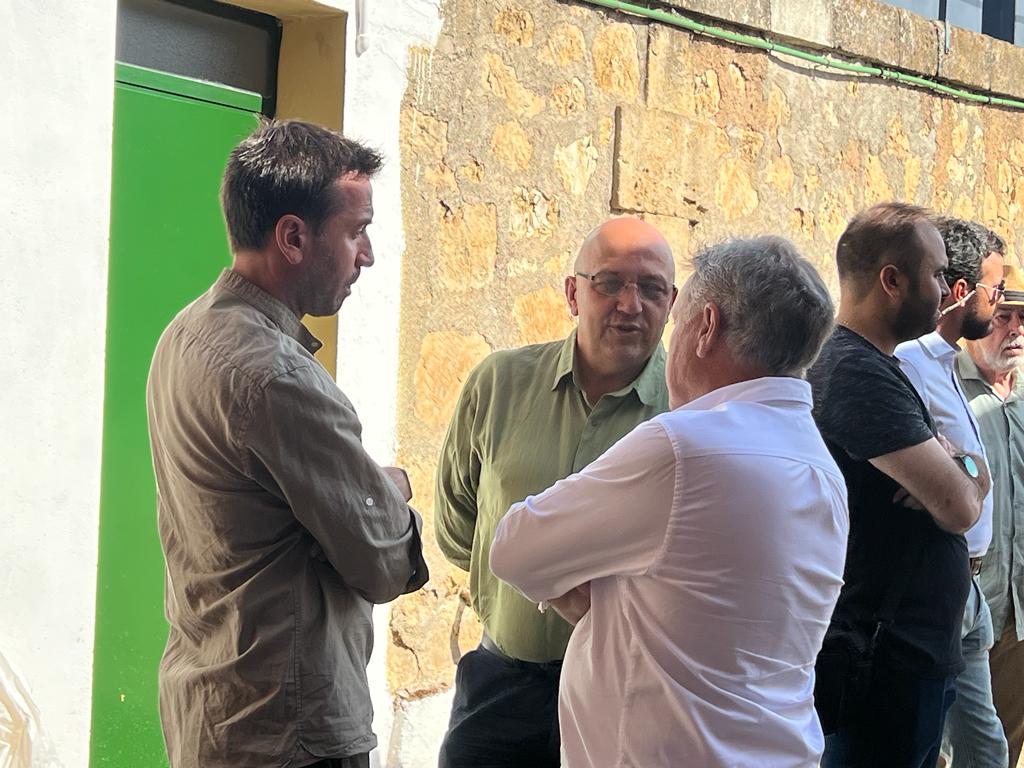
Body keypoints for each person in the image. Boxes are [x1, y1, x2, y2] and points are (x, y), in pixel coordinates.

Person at [490, 236, 848, 767]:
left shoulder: (684, 447)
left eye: (677, 322)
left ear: (705, 328)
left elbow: (514, 547)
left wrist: (587, 585)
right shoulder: (820, 465)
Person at [147, 119, 428, 768]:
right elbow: (383, 561)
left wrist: (348, 500)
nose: (368, 255)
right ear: (294, 237)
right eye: (357, 231)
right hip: (289, 731)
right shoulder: (278, 377)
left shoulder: (186, 333)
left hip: (213, 708)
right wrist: (391, 490)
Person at [434, 217, 677, 767]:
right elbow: (460, 528)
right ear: (573, 292)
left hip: (627, 701)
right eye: (609, 283)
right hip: (501, 684)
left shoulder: (688, 414)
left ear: (673, 303)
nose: (630, 304)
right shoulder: (498, 383)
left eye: (651, 288)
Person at [809, 202, 990, 768]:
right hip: (884, 665)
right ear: (892, 279)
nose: (945, 289)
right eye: (936, 274)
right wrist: (958, 471)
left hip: (909, 656)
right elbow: (961, 506)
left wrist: (959, 466)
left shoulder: (877, 366)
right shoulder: (856, 374)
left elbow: (967, 476)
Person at [895, 217, 1007, 768]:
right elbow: (928, 469)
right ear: (962, 292)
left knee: (985, 747)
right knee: (931, 744)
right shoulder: (909, 364)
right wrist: (964, 470)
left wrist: (962, 465)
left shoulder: (939, 362)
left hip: (970, 585)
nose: (1001, 300)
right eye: (997, 290)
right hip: (934, 585)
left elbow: (958, 462)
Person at [960, 264, 1024, 767]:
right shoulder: (944, 392)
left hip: (1020, 620)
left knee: (1005, 747)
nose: (1016, 328)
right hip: (962, 612)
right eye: (1004, 315)